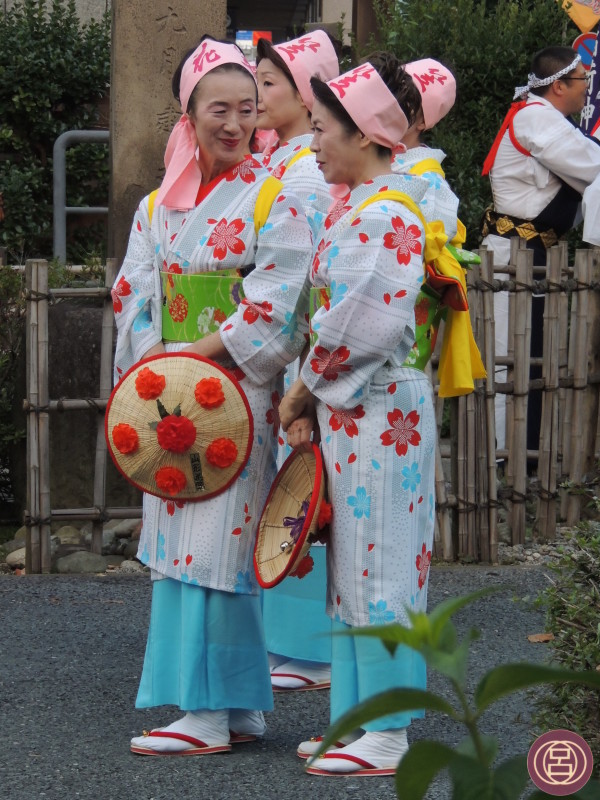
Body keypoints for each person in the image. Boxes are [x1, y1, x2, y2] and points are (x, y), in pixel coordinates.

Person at [111, 35, 313, 756]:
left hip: (234, 392)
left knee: (221, 548)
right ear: (187, 115)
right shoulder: (156, 207)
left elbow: (282, 296)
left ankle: (207, 714)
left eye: (247, 110)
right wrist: (154, 374)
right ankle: (231, 706)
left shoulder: (278, 190)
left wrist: (197, 358)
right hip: (171, 395)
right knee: (179, 547)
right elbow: (133, 291)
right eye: (217, 109)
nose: (233, 124)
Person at [278, 55, 437, 776]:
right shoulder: (365, 207)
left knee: (385, 561)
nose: (312, 145)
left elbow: (360, 325)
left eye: (322, 130)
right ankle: (358, 717)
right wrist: (312, 386)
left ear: (366, 135)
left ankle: (390, 732)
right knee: (356, 561)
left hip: (379, 405)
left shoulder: (389, 212)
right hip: (359, 408)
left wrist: (305, 385)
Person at [254, 30, 339, 694]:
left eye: (270, 82)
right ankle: (294, 643)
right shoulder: (285, 160)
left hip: (308, 349)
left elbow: (307, 275)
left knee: (310, 492)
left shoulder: (306, 168)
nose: (255, 93)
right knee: (299, 491)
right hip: (292, 346)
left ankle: (310, 650)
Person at [480, 46, 600, 454]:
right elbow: (592, 165)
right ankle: (503, 458)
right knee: (508, 358)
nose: (588, 89)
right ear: (559, 85)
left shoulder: (545, 117)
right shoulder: (536, 118)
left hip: (534, 254)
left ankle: (526, 457)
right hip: (514, 253)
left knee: (534, 357)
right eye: (583, 80)